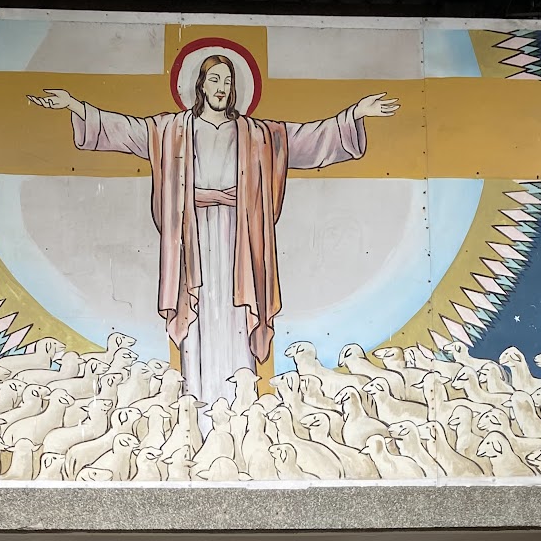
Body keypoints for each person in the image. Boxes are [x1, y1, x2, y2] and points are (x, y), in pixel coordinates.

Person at [30, 57, 398, 405]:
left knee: (238, 312)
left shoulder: (258, 134)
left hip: (241, 236)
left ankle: (241, 404)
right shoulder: (172, 130)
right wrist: (75, 106)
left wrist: (354, 115)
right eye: (214, 79)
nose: (221, 87)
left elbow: (305, 139)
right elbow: (128, 130)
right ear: (201, 85)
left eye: (227, 81)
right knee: (198, 311)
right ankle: (199, 401)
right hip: (193, 235)